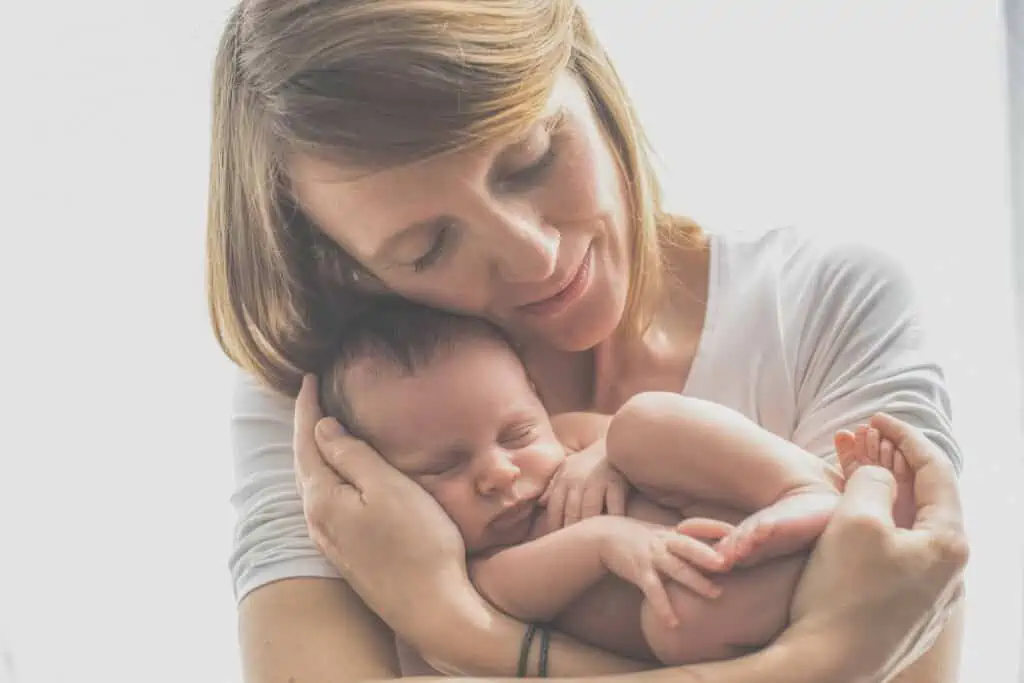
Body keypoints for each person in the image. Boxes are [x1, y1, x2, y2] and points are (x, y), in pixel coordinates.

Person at [206, 1, 969, 681]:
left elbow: (908, 627)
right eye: (427, 247)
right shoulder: (339, 406)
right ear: (350, 268)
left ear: (589, 73)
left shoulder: (822, 306)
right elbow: (861, 639)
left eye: (534, 157)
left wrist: (463, 630)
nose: (535, 253)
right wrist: (819, 659)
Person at [315, 299, 918, 666]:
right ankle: (837, 534)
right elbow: (505, 599)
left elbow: (648, 444)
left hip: (738, 513)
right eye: (443, 467)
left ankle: (804, 490)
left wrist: (604, 452)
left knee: (643, 423)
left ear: (537, 402)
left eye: (518, 434)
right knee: (677, 622)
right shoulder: (473, 569)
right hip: (737, 606)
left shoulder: (570, 436)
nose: (499, 472)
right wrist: (607, 539)